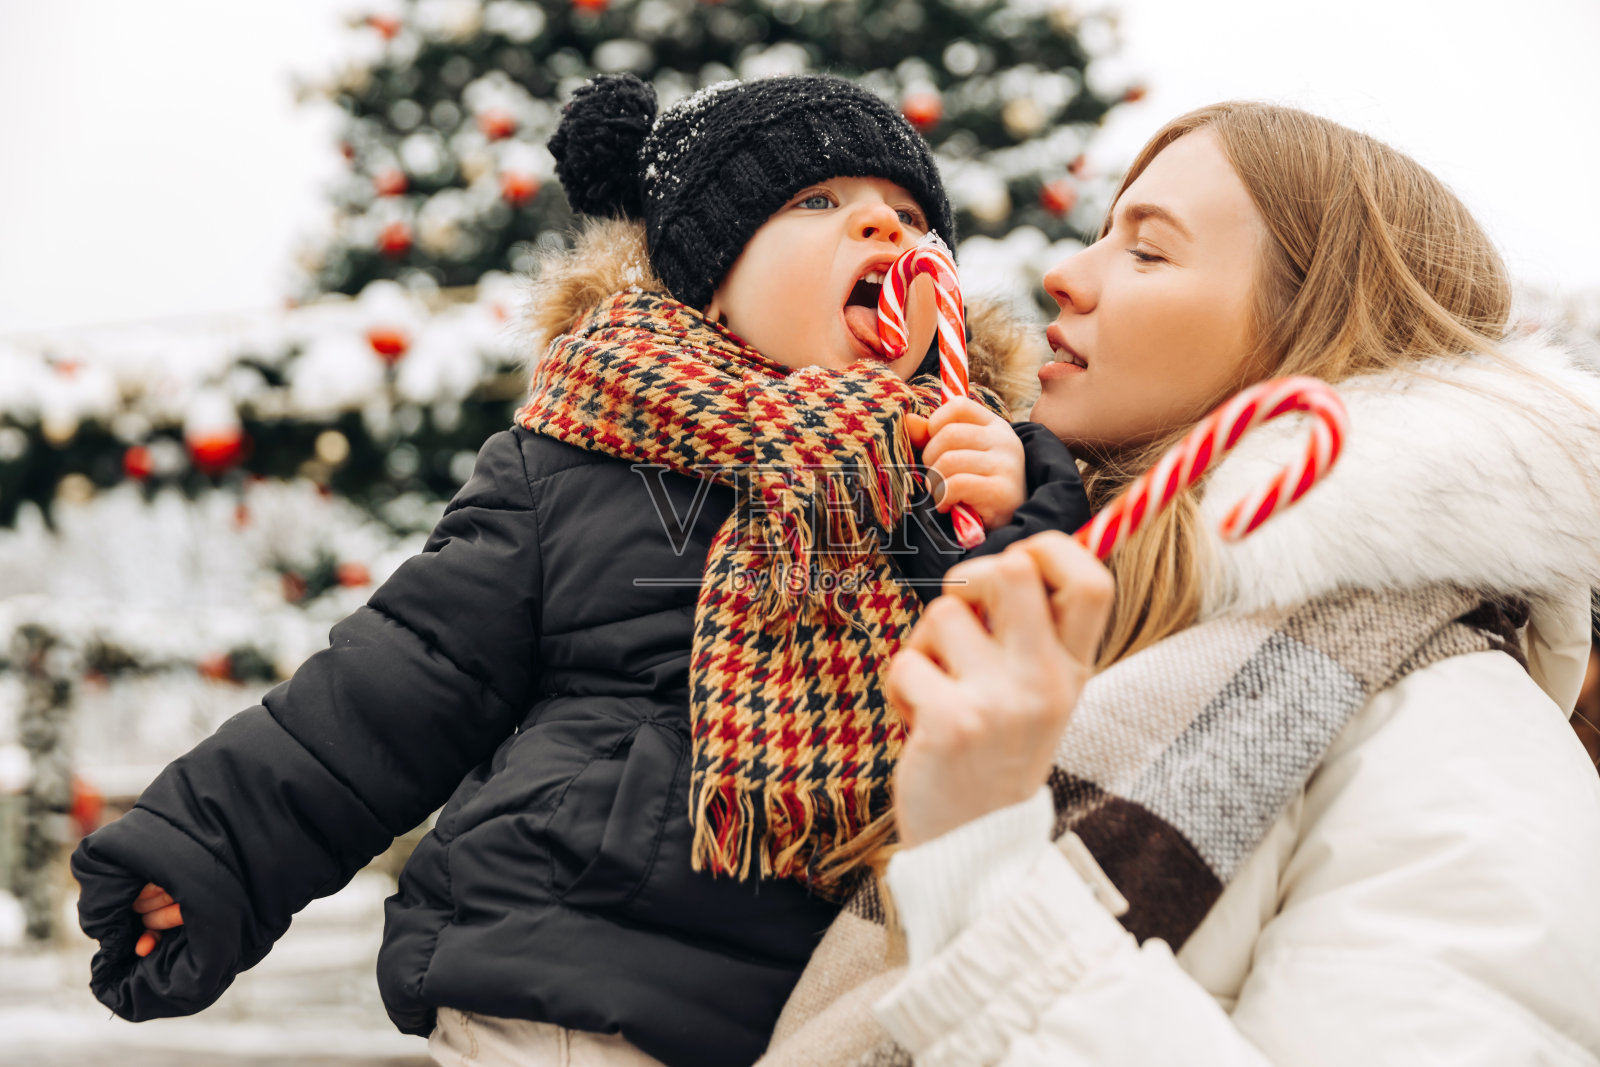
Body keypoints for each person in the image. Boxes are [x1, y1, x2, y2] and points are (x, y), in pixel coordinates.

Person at [69, 73, 1092, 1067]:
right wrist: (211, 849)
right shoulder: (581, 456)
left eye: (911, 216)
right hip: (572, 958)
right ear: (714, 286)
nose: (884, 230)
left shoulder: (956, 478)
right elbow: (396, 683)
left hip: (817, 996)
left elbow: (1033, 672)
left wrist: (1023, 504)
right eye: (820, 201)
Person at [760, 101, 1600, 1065]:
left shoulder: (1458, 730)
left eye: (1149, 253)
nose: (1064, 274)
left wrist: (984, 869)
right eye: (1099, 233)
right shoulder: (1083, 614)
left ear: (1312, 333)